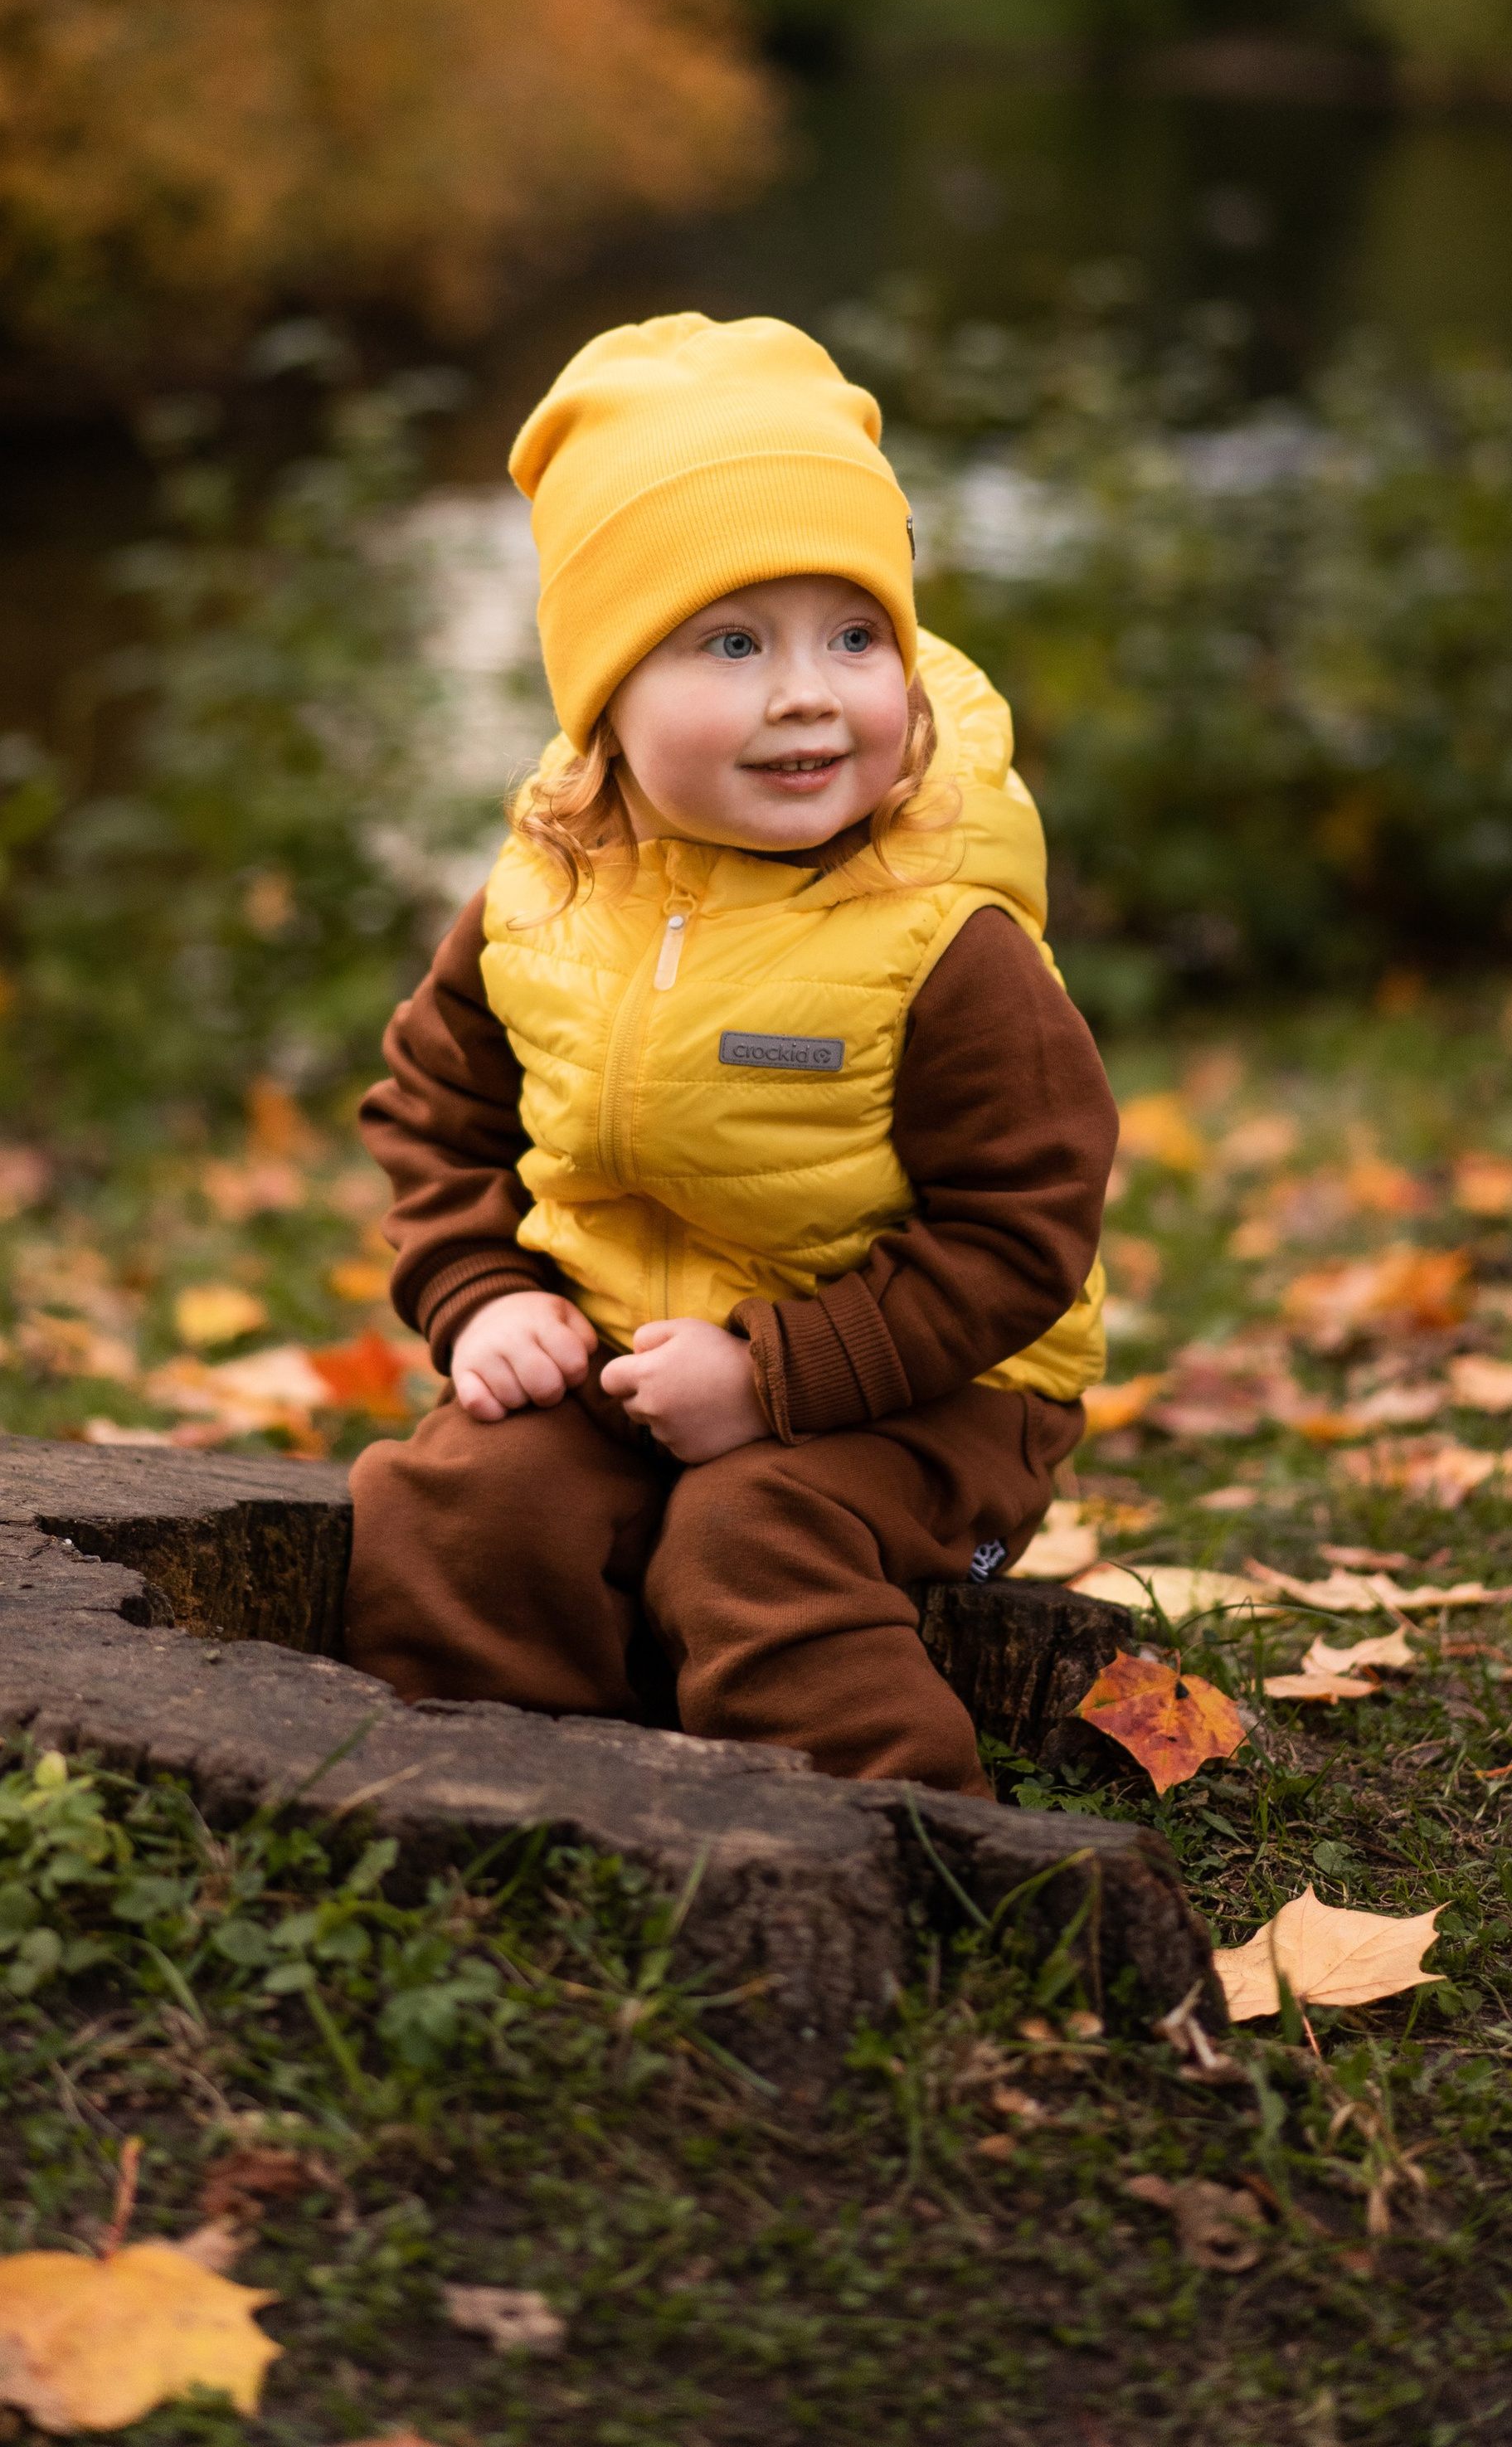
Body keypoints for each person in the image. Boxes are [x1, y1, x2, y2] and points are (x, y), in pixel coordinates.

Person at [343, 310, 1119, 1798]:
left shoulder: (941, 940)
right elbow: (435, 1110)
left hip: (935, 1397)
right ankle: (490, 1813)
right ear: (607, 700)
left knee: (749, 1536)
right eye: (730, 642)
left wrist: (771, 1381)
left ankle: (899, 1859)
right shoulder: (542, 899)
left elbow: (1024, 1233)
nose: (808, 692)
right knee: (457, 1503)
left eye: (853, 634)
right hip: (630, 1353)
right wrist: (480, 1289)